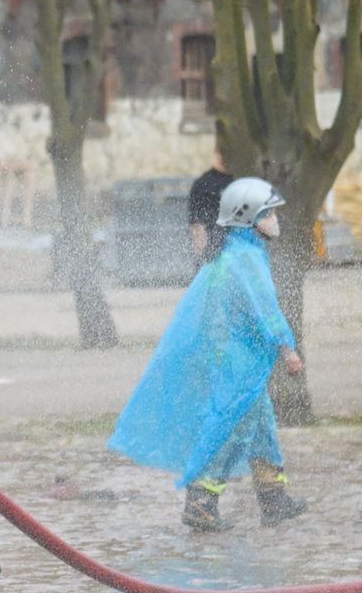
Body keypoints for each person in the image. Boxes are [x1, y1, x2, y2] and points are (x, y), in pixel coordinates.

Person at [108, 178, 308, 531]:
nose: (275, 218)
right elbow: (266, 309)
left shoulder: (229, 252)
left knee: (260, 424)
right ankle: (201, 501)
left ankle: (273, 497)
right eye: (269, 212)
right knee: (229, 427)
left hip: (228, 358)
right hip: (237, 361)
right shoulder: (244, 257)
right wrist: (287, 347)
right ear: (249, 217)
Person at [187, 147, 234, 264]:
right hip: (214, 249)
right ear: (215, 153)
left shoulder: (241, 180)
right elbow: (196, 224)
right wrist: (203, 251)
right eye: (221, 152)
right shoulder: (203, 184)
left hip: (238, 246)